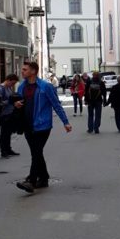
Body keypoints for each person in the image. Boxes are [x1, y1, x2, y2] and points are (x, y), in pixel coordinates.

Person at [15, 61, 72, 192]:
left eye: (25, 69)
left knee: (36, 152)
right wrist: (16, 104)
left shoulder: (45, 86)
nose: (22, 71)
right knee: (36, 153)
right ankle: (44, 178)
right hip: (27, 125)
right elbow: (19, 103)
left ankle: (31, 180)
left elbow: (56, 104)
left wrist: (66, 122)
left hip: (42, 125)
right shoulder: (21, 86)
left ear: (33, 71)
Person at [0, 73, 20, 158]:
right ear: (8, 80)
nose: (13, 85)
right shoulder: (0, 89)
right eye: (13, 83)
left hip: (10, 113)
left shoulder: (8, 88)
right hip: (4, 115)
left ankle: (8, 149)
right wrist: (9, 102)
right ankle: (3, 151)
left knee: (8, 133)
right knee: (4, 133)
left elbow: (11, 99)